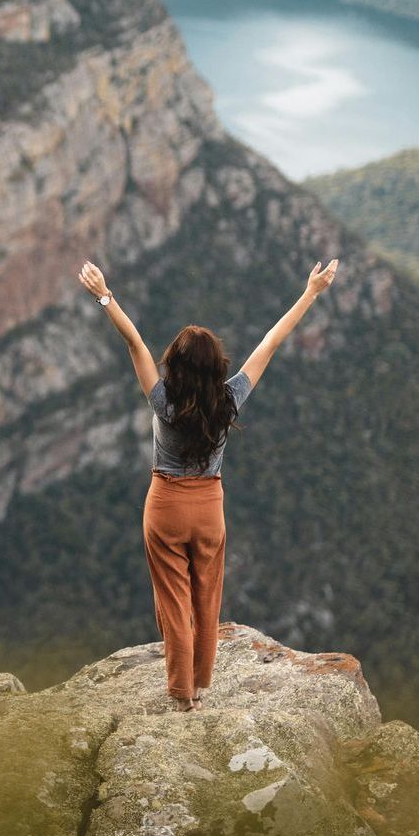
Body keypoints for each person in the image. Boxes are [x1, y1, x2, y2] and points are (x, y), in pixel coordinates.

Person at [77, 256, 340, 712]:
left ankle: (181, 695)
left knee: (175, 602)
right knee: (207, 596)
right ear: (217, 367)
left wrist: (104, 295)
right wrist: (311, 293)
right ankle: (200, 683)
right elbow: (271, 342)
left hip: (165, 507)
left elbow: (134, 343)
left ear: (175, 367)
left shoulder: (163, 401)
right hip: (209, 509)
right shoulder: (231, 400)